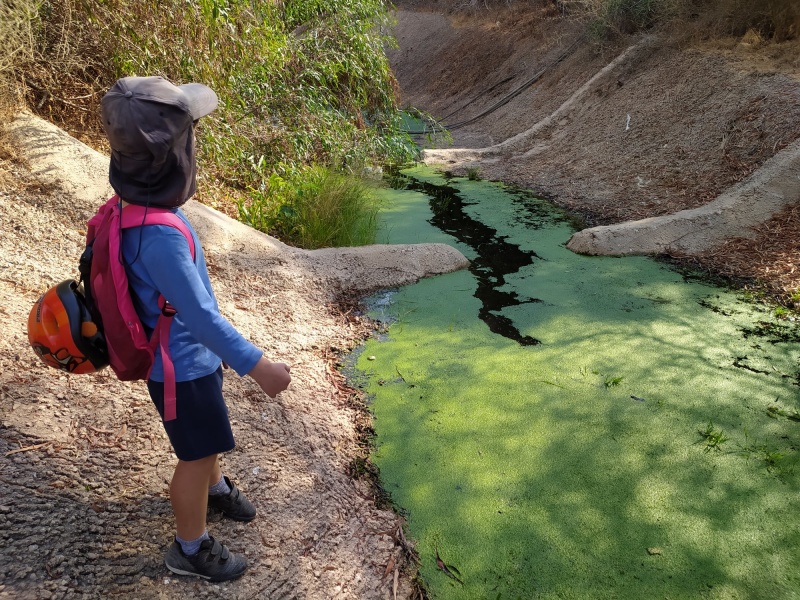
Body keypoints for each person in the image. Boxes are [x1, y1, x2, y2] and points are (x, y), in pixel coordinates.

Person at [100, 76, 292, 582]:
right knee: (195, 452)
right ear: (173, 159)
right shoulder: (158, 236)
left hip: (190, 360)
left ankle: (217, 488)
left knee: (206, 441)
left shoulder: (137, 208)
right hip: (180, 367)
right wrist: (260, 365)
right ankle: (190, 547)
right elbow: (200, 317)